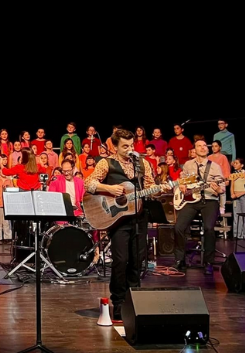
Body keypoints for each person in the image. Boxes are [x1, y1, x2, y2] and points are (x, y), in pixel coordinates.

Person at [84, 129, 162, 321]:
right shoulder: (106, 163)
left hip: (139, 218)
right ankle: (118, 302)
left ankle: (134, 299)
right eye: (125, 146)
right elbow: (88, 183)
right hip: (117, 219)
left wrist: (163, 189)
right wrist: (108, 188)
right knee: (120, 260)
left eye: (132, 145)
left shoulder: (143, 164)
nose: (129, 149)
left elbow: (151, 188)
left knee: (137, 260)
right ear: (115, 146)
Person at [173, 139, 225, 276]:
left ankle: (208, 262)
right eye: (199, 146)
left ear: (207, 150)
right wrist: (182, 185)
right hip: (191, 201)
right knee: (179, 227)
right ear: (194, 150)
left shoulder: (215, 166)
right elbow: (182, 180)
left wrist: (217, 188)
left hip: (209, 200)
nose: (202, 148)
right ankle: (180, 260)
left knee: (209, 228)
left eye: (204, 146)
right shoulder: (188, 165)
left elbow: (222, 189)